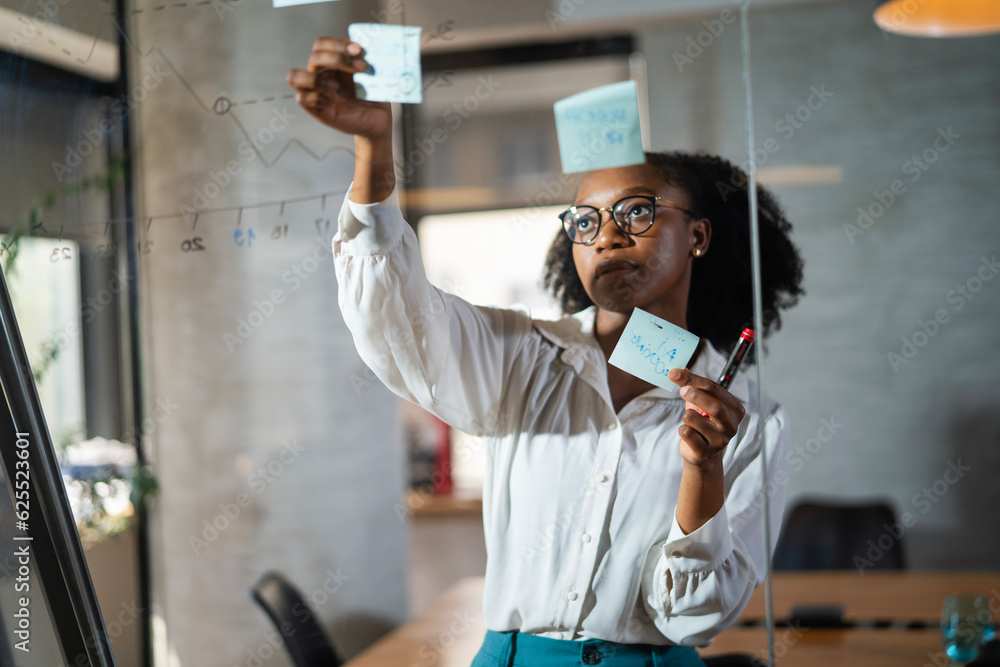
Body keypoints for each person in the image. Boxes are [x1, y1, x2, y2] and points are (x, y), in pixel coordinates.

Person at [287, 37, 805, 667]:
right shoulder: (521, 356)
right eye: (584, 221)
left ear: (697, 235)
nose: (607, 233)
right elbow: (396, 318)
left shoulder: (750, 419)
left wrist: (703, 468)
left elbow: (693, 619)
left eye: (636, 212)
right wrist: (374, 149)